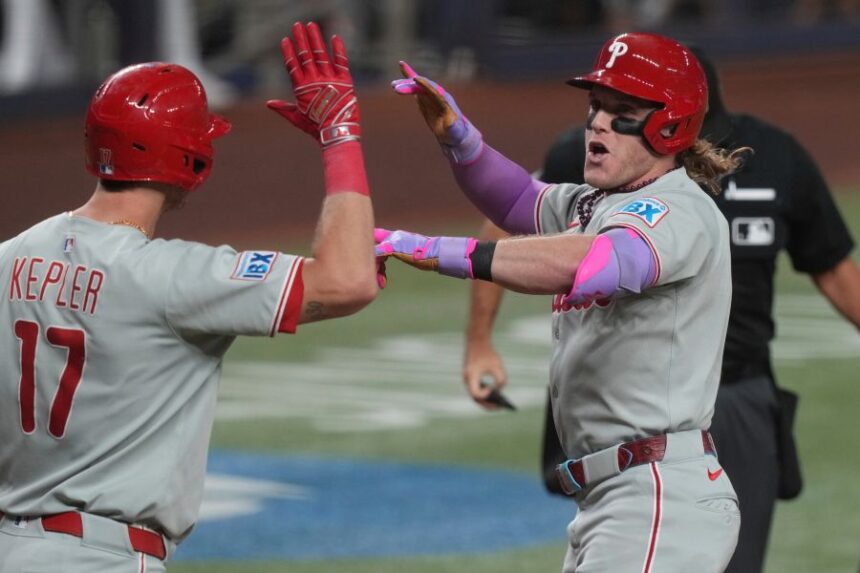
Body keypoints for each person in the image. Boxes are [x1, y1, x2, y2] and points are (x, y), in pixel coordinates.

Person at [466, 45, 860, 573]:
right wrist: (479, 341)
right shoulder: (590, 152)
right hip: (617, 398)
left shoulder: (774, 156)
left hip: (736, 394)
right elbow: (513, 217)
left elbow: (832, 267)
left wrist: (438, 253)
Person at [0, 21, 377, 572]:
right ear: (191, 161)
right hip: (99, 559)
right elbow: (349, 280)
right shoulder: (172, 278)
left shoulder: (10, 257)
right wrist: (340, 135)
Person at [377, 32, 746, 572]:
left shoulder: (676, 211)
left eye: (621, 113)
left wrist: (435, 251)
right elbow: (517, 199)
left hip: (657, 501)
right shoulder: (600, 203)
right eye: (596, 105)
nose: (597, 122)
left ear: (670, 126)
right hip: (617, 500)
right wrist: (459, 138)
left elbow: (591, 263)